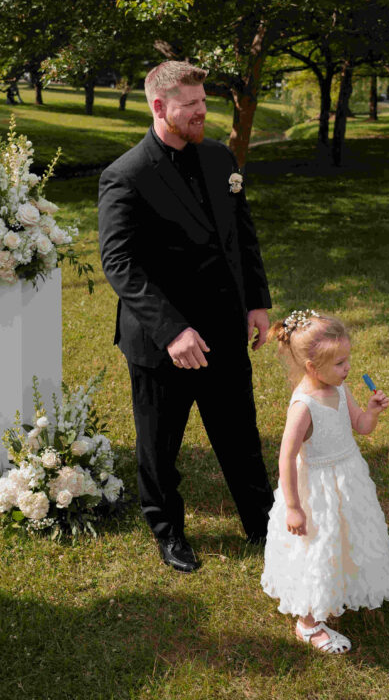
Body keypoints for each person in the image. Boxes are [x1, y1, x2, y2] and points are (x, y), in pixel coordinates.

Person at [98, 61, 274, 573]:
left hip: (223, 328)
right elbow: (120, 263)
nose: (202, 112)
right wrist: (172, 330)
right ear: (159, 107)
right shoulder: (125, 175)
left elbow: (243, 236)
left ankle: (262, 526)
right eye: (191, 105)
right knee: (159, 448)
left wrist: (256, 302)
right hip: (162, 342)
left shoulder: (221, 159)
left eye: (204, 103)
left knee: (241, 437)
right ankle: (168, 531)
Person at [261, 310, 389, 655]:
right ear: (311, 367)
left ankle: (339, 590)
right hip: (317, 492)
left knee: (346, 539)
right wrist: (293, 507)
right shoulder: (303, 406)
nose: (347, 368)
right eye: (339, 363)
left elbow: (361, 427)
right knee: (317, 549)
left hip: (348, 481)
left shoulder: (340, 388)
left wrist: (372, 411)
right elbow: (286, 458)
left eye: (347, 359)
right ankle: (308, 624)